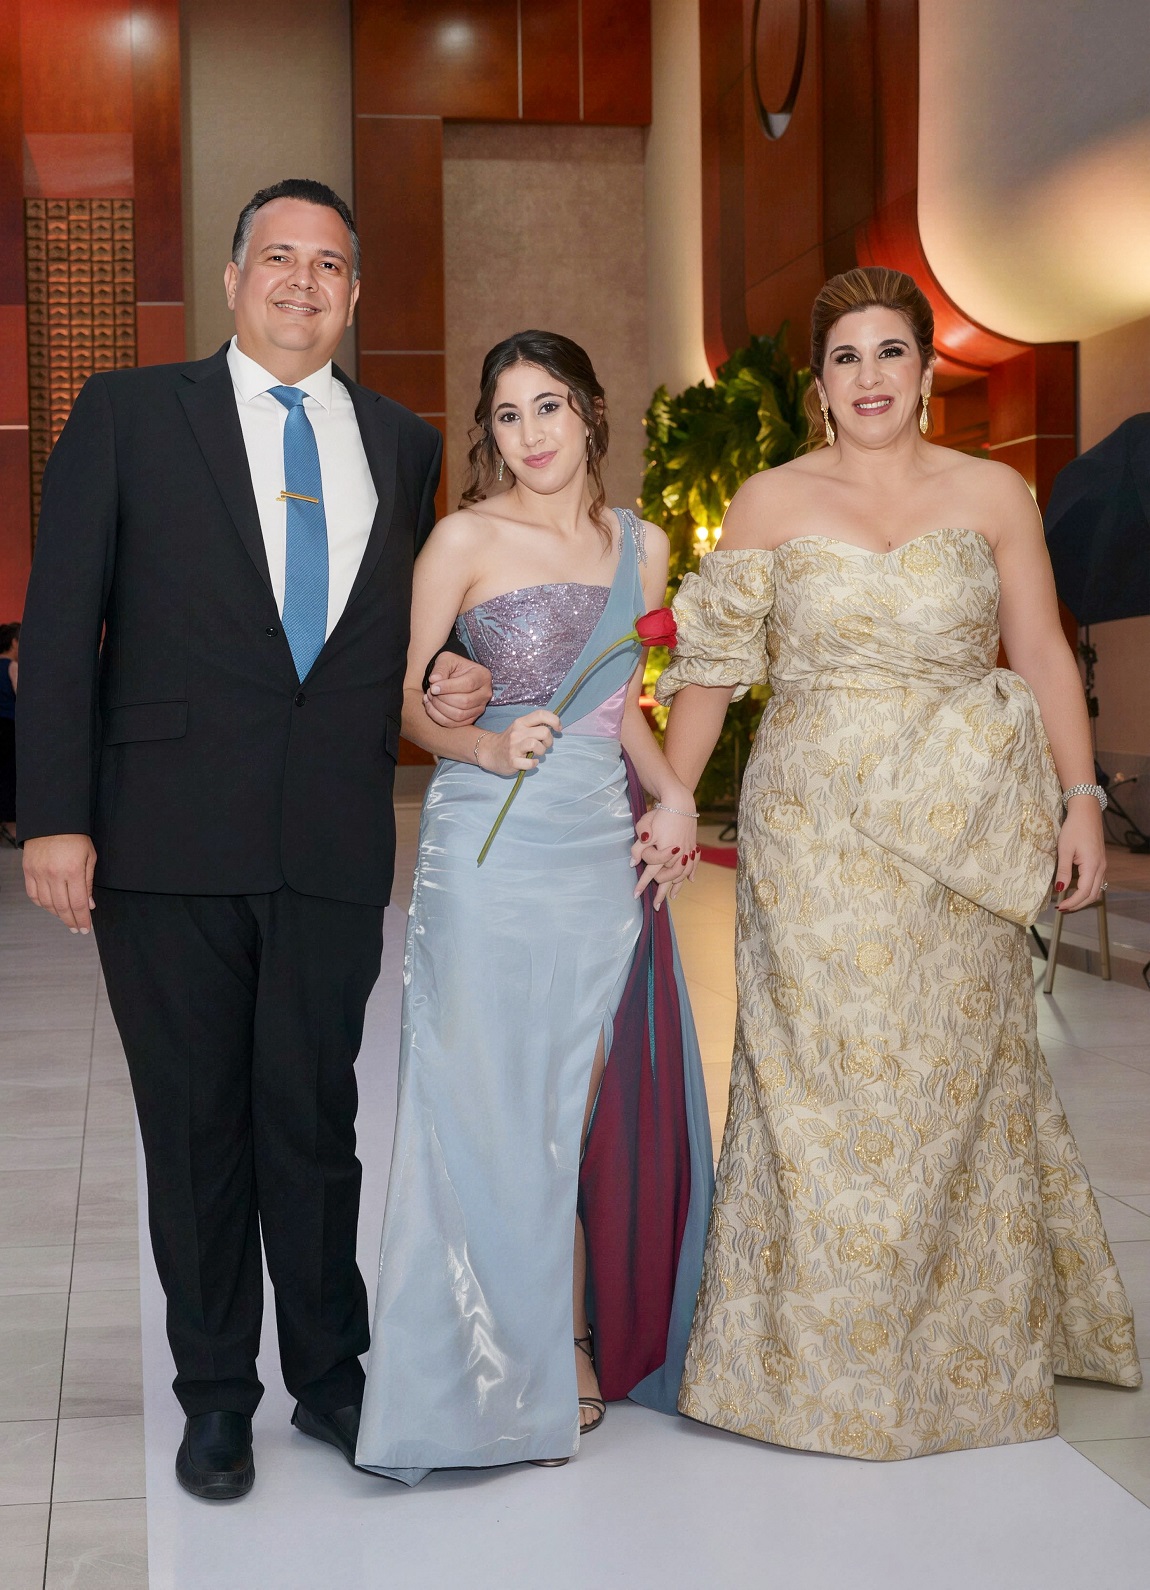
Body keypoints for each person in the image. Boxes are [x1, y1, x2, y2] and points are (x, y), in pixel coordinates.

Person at [16, 178, 492, 1501]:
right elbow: (60, 621)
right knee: (196, 1130)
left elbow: (403, 633)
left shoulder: (400, 441)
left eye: (328, 264)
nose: (301, 281)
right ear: (232, 281)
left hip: (328, 838)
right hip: (163, 837)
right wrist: (53, 813)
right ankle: (216, 1395)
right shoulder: (127, 413)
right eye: (277, 257)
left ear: (355, 294)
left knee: (315, 1119)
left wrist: (450, 669)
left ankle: (331, 1376)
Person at [650, 266, 1140, 1461]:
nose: (867, 376)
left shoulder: (992, 491)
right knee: (814, 1079)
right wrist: (667, 796)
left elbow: (1038, 647)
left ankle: (953, 1353)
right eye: (844, 357)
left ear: (924, 370)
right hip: (812, 831)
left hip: (960, 827)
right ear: (818, 384)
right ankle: (808, 1364)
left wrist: (1079, 801)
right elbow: (712, 669)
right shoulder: (769, 501)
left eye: (889, 353)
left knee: (951, 1078)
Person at [355, 331, 714, 1481]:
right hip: (485, 842)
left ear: (590, 411)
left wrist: (672, 798)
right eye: (507, 416)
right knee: (482, 1096)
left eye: (549, 406)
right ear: (489, 434)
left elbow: (622, 704)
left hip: (596, 852)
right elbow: (407, 705)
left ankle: (562, 1338)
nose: (531, 434)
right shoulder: (462, 539)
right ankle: (477, 1364)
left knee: (572, 1099)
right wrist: (485, 744)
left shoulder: (642, 547)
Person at [0, 622, 17, 845]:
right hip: (8, 727)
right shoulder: (12, 666)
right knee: (10, 775)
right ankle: (10, 825)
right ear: (14, 642)